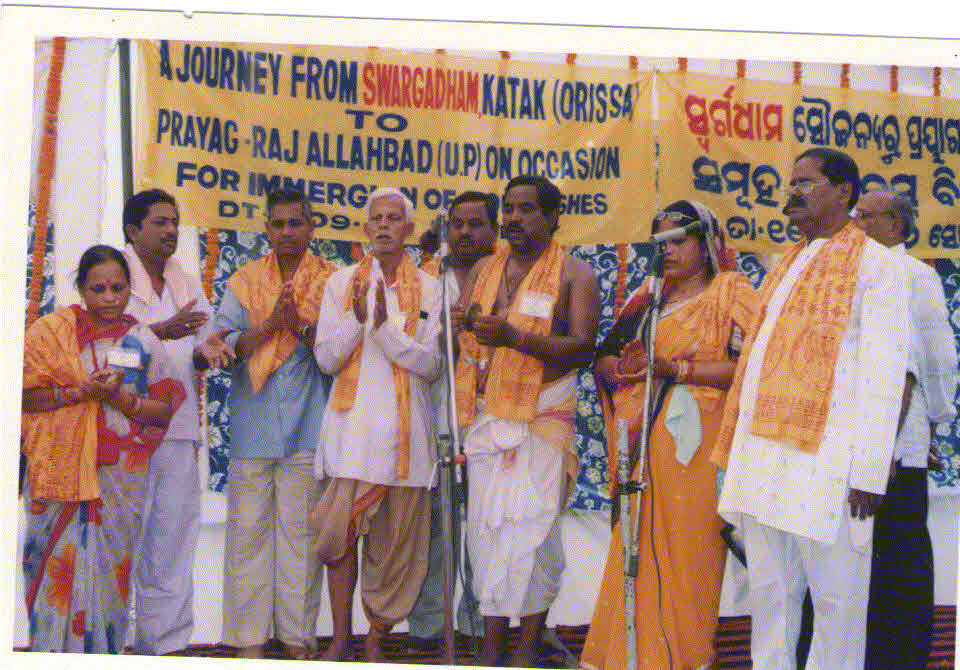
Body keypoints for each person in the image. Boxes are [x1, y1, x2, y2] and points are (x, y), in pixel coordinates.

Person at [715, 147, 909, 670]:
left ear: (843, 192)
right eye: (791, 182)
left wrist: (870, 469)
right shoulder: (786, 264)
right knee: (770, 600)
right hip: (766, 462)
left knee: (838, 604)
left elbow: (886, 374)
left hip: (831, 467)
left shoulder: (878, 266)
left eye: (806, 182)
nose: (792, 192)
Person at [579, 201, 757, 670]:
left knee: (689, 559)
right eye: (660, 242)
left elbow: (750, 368)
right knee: (634, 551)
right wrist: (623, 368)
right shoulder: (648, 297)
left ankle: (682, 659)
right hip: (641, 446)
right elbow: (605, 357)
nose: (669, 250)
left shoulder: (730, 292)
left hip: (697, 449)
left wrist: (674, 369)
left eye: (680, 239)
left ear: (707, 242)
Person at [454, 175, 600, 667]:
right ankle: (493, 652)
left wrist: (515, 338)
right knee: (488, 535)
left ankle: (526, 650)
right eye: (509, 209)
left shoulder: (575, 275)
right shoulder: (482, 270)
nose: (514, 219)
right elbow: (466, 336)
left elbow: (582, 347)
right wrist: (465, 327)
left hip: (543, 416)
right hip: (490, 417)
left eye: (527, 209)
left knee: (533, 536)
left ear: (554, 216)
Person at [21, 245, 184, 653]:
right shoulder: (50, 334)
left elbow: (162, 413)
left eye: (118, 287)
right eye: (98, 288)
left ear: (131, 288)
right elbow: (22, 397)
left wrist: (117, 400)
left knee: (110, 574)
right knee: (53, 571)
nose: (110, 296)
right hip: (59, 471)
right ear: (80, 290)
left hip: (119, 476)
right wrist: (78, 392)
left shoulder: (142, 340)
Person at [312, 187, 442, 663]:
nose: (384, 225)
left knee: (395, 552)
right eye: (377, 218)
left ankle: (374, 641)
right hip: (352, 437)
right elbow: (326, 359)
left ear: (408, 229)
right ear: (365, 228)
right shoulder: (340, 283)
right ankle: (342, 639)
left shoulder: (432, 288)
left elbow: (430, 365)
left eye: (394, 218)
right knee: (338, 540)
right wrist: (357, 320)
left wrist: (385, 329)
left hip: (407, 442)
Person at [215, 188, 334, 660]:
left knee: (301, 539)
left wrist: (299, 325)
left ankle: (297, 639)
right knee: (246, 537)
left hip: (309, 426)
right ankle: (249, 643)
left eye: (295, 223)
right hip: (253, 427)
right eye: (277, 224)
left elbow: (338, 354)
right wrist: (271, 326)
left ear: (310, 227)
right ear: (266, 229)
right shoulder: (245, 282)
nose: (286, 232)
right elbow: (225, 347)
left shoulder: (332, 282)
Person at [122, 188, 233, 656]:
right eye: (160, 222)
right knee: (126, 537)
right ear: (134, 230)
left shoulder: (187, 283)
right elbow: (102, 351)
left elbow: (204, 348)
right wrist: (155, 334)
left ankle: (166, 645)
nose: (171, 230)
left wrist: (210, 354)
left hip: (178, 427)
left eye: (175, 221)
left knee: (173, 537)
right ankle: (116, 641)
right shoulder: (109, 276)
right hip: (122, 430)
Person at [854, 188, 958, 670]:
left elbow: (938, 359)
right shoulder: (845, 271)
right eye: (854, 215)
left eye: (866, 216)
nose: (856, 224)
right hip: (847, 443)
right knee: (856, 567)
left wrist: (936, 420)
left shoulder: (917, 276)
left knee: (899, 559)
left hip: (903, 440)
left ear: (897, 224)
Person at [407, 191, 499, 649]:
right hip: (435, 415)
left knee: (484, 522)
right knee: (435, 524)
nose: (465, 232)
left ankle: (480, 621)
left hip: (489, 416)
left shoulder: (507, 277)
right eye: (457, 224)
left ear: (494, 230)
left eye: (475, 224)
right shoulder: (424, 278)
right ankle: (427, 627)